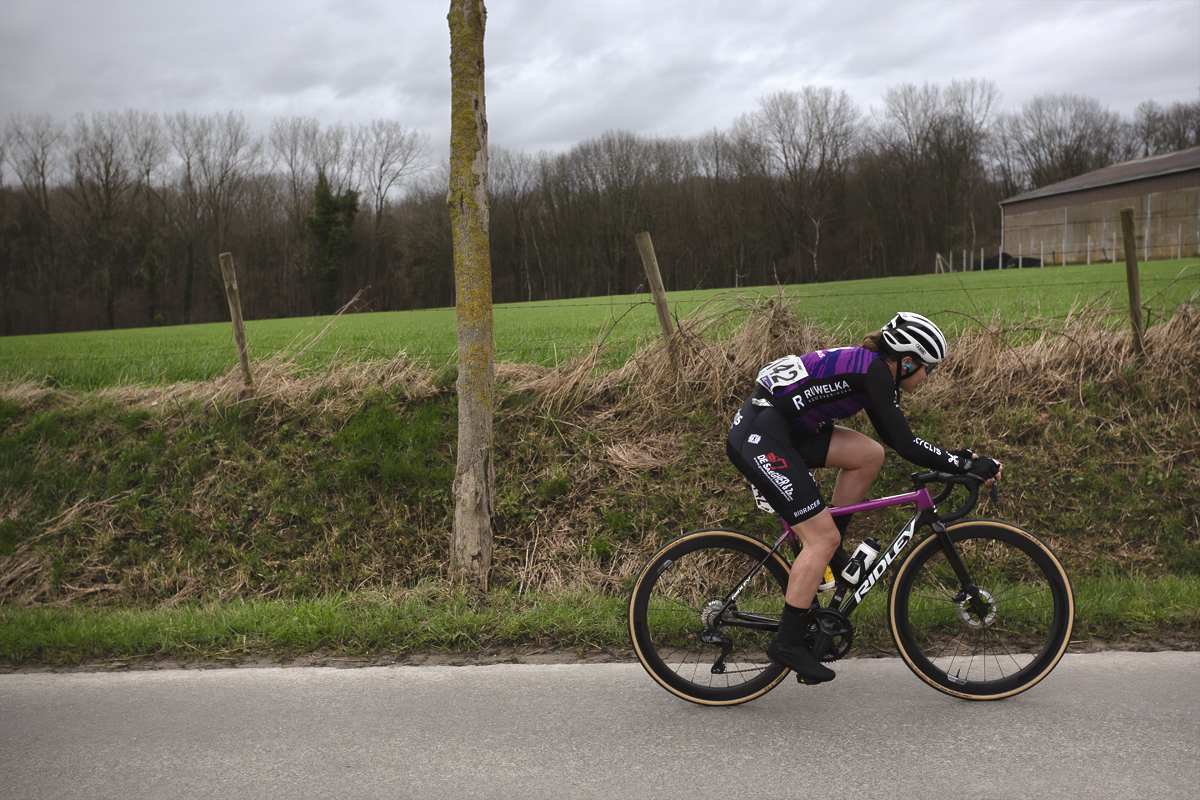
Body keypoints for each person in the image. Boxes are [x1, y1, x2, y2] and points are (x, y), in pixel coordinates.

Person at [726, 312, 1002, 684]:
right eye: (927, 369)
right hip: (763, 434)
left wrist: (960, 460)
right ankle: (788, 642)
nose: (927, 377)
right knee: (820, 538)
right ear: (906, 360)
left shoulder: (874, 370)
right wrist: (959, 463)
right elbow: (906, 442)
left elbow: (892, 440)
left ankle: (831, 559)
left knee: (868, 456)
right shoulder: (875, 372)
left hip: (783, 426)